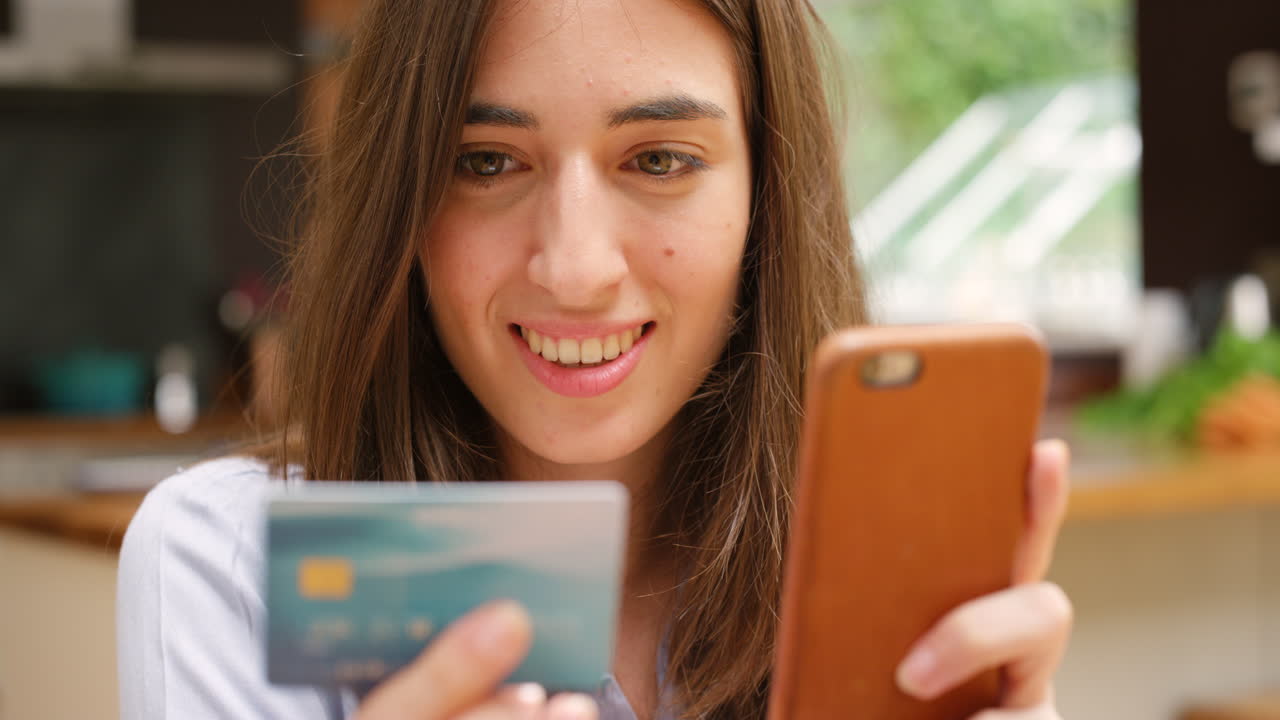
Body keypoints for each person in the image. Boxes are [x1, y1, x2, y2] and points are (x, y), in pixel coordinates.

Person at [116, 0, 1074, 718]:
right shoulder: (234, 563)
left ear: (767, 198)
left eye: (659, 160)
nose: (573, 269)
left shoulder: (873, 569)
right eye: (486, 161)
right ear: (401, 206)